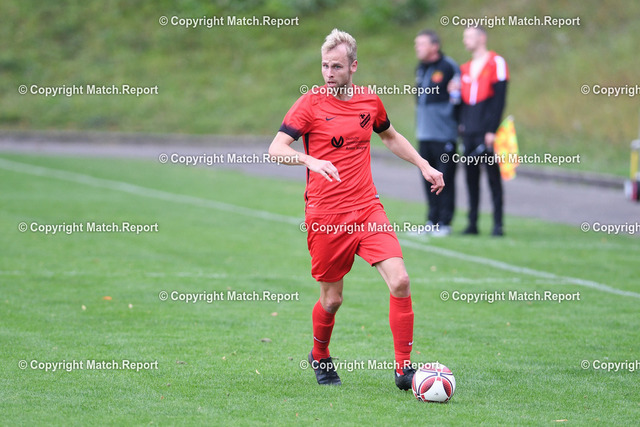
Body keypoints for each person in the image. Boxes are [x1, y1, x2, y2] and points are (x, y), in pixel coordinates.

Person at [268, 29, 444, 389]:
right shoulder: (310, 104)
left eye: (336, 66)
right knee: (332, 300)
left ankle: (403, 369)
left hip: (366, 208)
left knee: (400, 280)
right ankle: (319, 354)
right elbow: (276, 149)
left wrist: (424, 164)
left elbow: (390, 136)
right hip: (326, 216)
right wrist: (310, 160)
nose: (329, 73)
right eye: (324, 66)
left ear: (353, 66)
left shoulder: (369, 102)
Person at [457, 25, 509, 236]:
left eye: (468, 36)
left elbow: (499, 99)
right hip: (469, 131)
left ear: (482, 38)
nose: (465, 41)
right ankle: (472, 223)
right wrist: (461, 124)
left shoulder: (496, 62)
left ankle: (498, 223)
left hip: (486, 131)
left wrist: (491, 129)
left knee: (493, 177)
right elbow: (462, 101)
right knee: (470, 178)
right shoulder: (465, 68)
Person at [414, 29, 460, 237]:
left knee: (445, 178)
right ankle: (431, 220)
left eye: (421, 44)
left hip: (444, 134)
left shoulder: (448, 67)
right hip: (425, 133)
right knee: (428, 178)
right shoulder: (421, 68)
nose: (417, 48)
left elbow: (458, 98)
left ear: (434, 46)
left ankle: (445, 222)